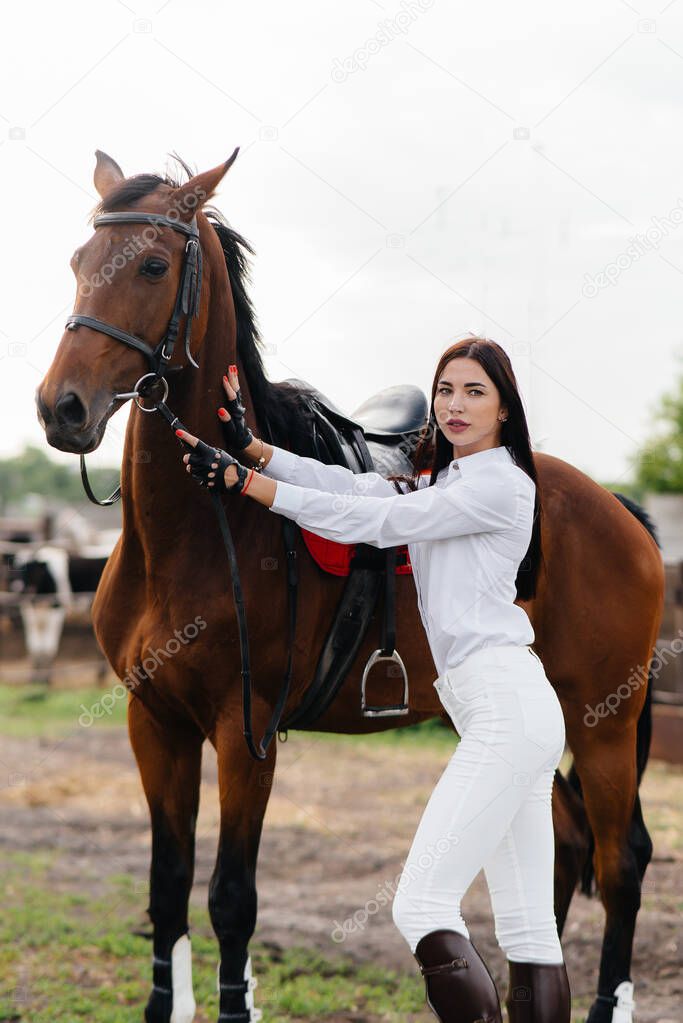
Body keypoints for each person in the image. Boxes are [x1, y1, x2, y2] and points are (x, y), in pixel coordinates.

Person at [176, 337, 571, 1023]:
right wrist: (255, 448)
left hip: (507, 710)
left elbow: (375, 520)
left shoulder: (496, 484)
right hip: (510, 710)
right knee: (529, 928)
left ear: (505, 408)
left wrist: (245, 485)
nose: (453, 404)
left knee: (418, 902)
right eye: (445, 389)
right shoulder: (454, 481)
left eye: (474, 391)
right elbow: (355, 486)